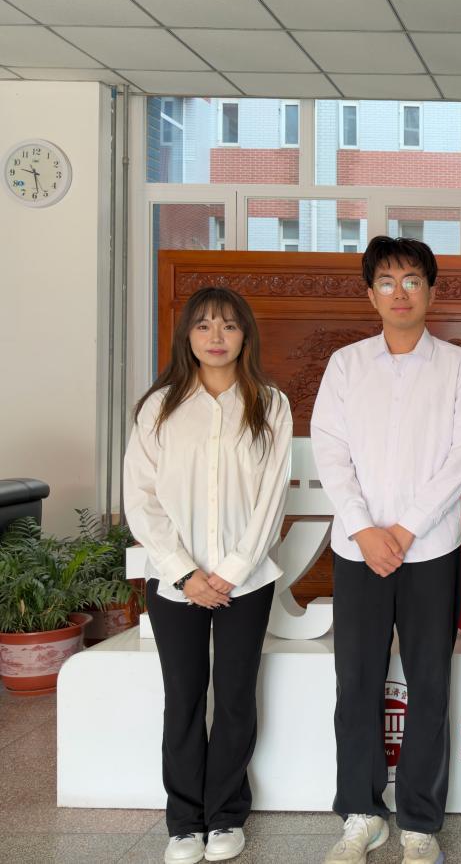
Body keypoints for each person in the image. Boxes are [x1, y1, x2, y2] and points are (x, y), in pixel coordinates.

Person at [311, 236, 461, 864]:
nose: (400, 292)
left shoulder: (458, 365)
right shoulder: (346, 365)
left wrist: (406, 529)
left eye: (412, 280)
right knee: (356, 680)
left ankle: (419, 820)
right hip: (358, 550)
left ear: (431, 291)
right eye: (387, 281)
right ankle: (361, 814)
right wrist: (364, 529)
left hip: (430, 548)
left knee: (429, 681)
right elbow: (330, 450)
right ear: (371, 294)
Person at [124, 287, 293, 864]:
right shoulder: (160, 407)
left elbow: (272, 498)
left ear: (246, 334)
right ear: (187, 337)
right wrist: (184, 573)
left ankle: (225, 816)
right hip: (175, 583)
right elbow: (141, 498)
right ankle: (184, 822)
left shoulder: (270, 404)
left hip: (247, 580)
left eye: (228, 325)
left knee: (237, 696)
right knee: (184, 698)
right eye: (203, 325)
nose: (216, 337)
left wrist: (232, 571)